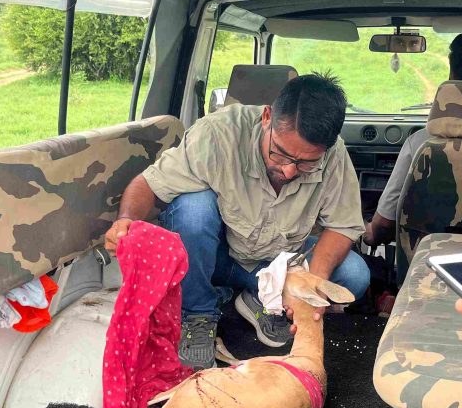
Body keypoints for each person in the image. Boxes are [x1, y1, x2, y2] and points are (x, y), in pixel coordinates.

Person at [105, 73, 369, 369]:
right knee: (193, 207)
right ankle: (198, 315)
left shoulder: (334, 156)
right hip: (214, 256)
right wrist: (125, 221)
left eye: (307, 163)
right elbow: (148, 185)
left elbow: (342, 226)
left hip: (277, 263)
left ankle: (259, 298)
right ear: (267, 117)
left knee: (355, 275)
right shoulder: (217, 134)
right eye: (280, 154)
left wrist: (312, 286)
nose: (291, 171)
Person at [364, 30, 462, 247]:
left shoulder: (420, 143)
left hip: (422, 268)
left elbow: (384, 225)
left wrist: (367, 233)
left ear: (452, 78)